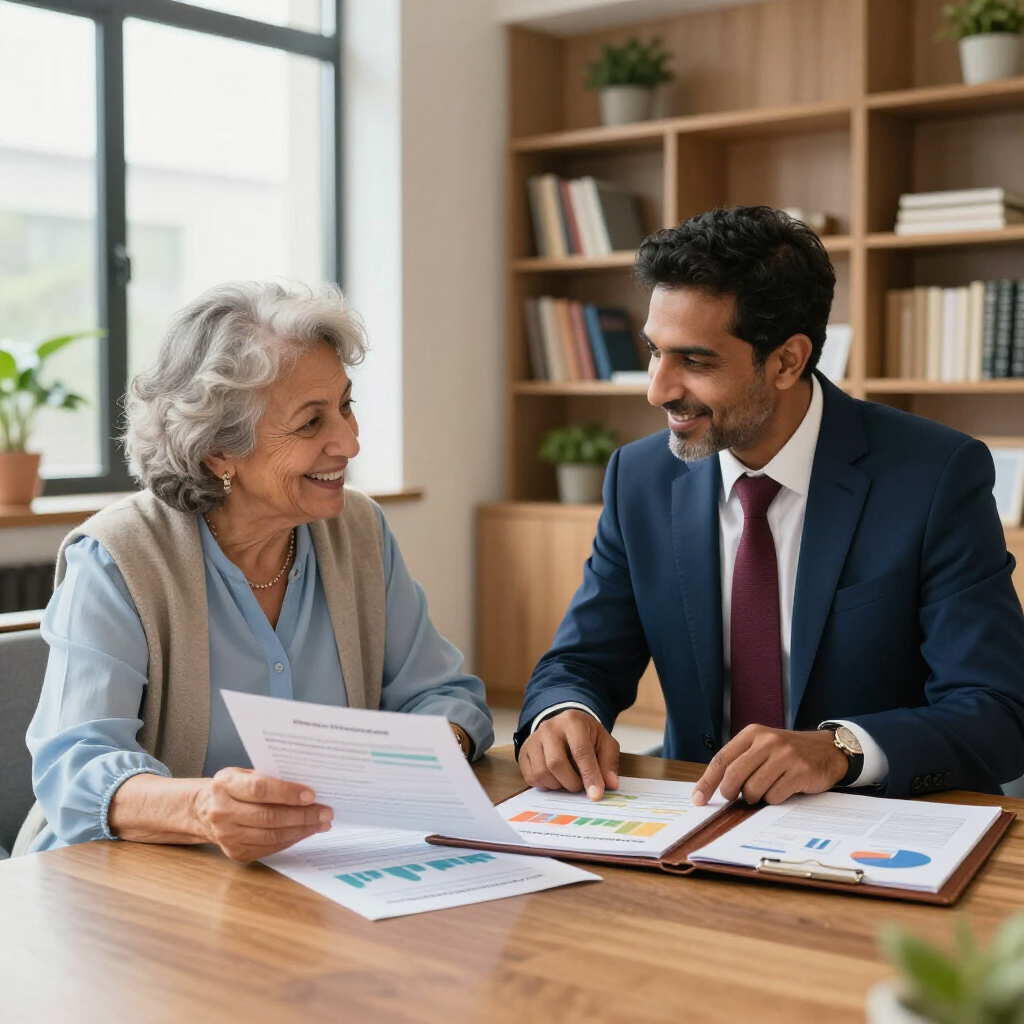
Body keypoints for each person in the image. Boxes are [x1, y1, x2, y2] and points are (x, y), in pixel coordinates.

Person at [516, 206, 1024, 808]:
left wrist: (841, 750)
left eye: (695, 360)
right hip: (699, 821)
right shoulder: (640, 477)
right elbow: (581, 660)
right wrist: (562, 712)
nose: (658, 389)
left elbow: (998, 711)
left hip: (880, 826)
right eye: (656, 352)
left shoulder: (934, 475)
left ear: (787, 360)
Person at [15, 281, 493, 862]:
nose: (349, 441)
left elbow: (444, 695)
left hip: (320, 872)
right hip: (127, 882)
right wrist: (201, 810)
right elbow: (78, 768)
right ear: (219, 450)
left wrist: (431, 750)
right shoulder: (119, 559)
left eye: (345, 406)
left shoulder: (357, 531)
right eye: (310, 423)